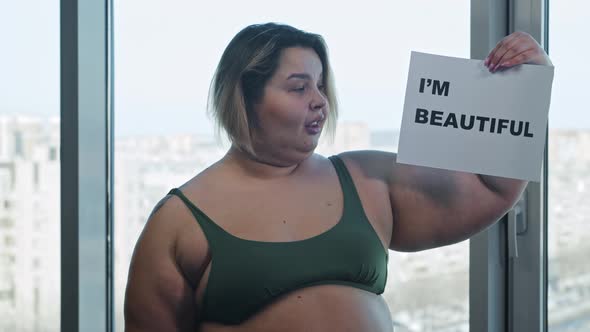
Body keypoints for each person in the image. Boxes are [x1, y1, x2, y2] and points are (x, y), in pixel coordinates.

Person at [123, 23, 553, 332]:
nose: (320, 102)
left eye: (321, 86)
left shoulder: (365, 178)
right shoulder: (179, 221)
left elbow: (491, 189)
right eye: (298, 87)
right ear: (245, 97)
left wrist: (527, 84)